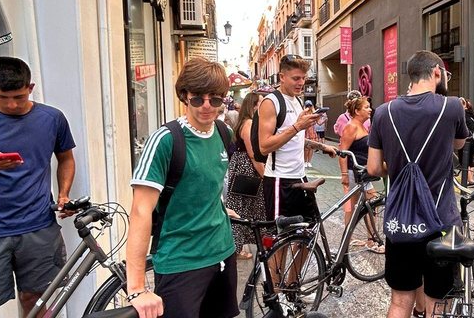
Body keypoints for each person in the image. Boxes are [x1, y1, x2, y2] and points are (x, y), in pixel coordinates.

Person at [0, 56, 77, 318]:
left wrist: (64, 194)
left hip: (39, 227)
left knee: (37, 300)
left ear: (30, 87)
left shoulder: (52, 118)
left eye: (19, 97)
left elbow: (65, 158)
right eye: (2, 97)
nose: (11, 104)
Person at [127, 57, 237, 318]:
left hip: (223, 252)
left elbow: (206, 184)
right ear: (184, 96)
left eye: (215, 98)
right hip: (181, 261)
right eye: (198, 98)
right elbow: (141, 212)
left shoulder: (224, 133)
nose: (207, 106)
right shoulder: (166, 140)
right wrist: (137, 287)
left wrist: (218, 209)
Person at [367, 50, 469, 318]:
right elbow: (458, 144)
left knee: (400, 301)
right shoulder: (452, 107)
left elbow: (374, 168)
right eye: (444, 74)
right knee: (438, 302)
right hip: (443, 221)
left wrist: (402, 169)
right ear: (436, 72)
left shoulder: (382, 112)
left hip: (401, 221)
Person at [258, 55, 334, 224]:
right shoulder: (271, 102)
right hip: (279, 179)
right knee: (280, 238)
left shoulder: (298, 102)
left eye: (303, 78)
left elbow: (296, 139)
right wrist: (298, 126)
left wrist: (322, 147)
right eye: (296, 78)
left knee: (308, 230)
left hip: (299, 176)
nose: (301, 83)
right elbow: (264, 146)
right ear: (282, 77)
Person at [226, 92, 265, 260]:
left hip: (243, 168)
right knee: (239, 209)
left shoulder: (247, 122)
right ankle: (236, 249)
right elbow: (253, 154)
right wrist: (265, 175)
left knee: (244, 208)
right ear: (254, 105)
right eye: (261, 104)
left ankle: (242, 246)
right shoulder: (248, 124)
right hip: (247, 170)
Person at [338, 95, 377, 229]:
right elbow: (342, 152)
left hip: (361, 170)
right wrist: (344, 174)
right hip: (354, 171)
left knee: (355, 204)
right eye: (366, 107)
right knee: (372, 201)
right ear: (357, 111)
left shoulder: (361, 125)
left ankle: (349, 238)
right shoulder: (352, 126)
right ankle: (371, 240)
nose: (370, 110)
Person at [303, 100, 315, 168]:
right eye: (307, 106)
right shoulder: (304, 114)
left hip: (312, 132)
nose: (309, 107)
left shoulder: (313, 113)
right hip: (306, 131)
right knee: (306, 148)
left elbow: (318, 122)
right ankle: (305, 161)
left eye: (310, 106)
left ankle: (309, 161)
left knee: (311, 148)